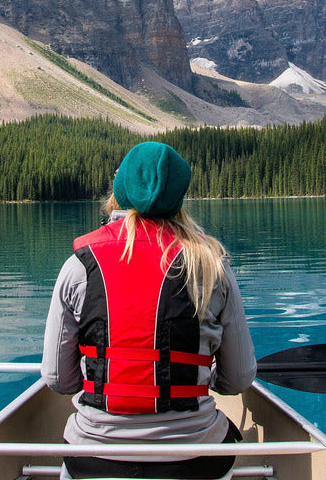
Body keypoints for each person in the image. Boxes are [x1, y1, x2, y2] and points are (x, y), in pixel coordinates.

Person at [42, 141, 257, 480]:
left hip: (94, 455)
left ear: (120, 193)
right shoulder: (212, 267)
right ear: (179, 198)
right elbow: (239, 379)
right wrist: (204, 379)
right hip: (195, 457)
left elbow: (59, 380)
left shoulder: (78, 266)